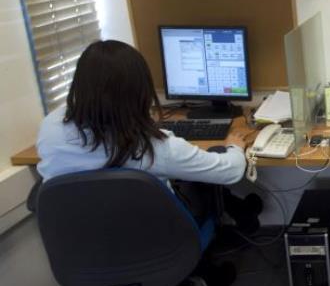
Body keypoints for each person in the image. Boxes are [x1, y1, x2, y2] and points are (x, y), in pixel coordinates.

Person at [36, 40, 251, 224]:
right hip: (155, 244)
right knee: (202, 186)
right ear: (140, 91)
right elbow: (230, 172)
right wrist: (234, 147)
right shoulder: (153, 148)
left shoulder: (50, 128)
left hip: (79, 252)